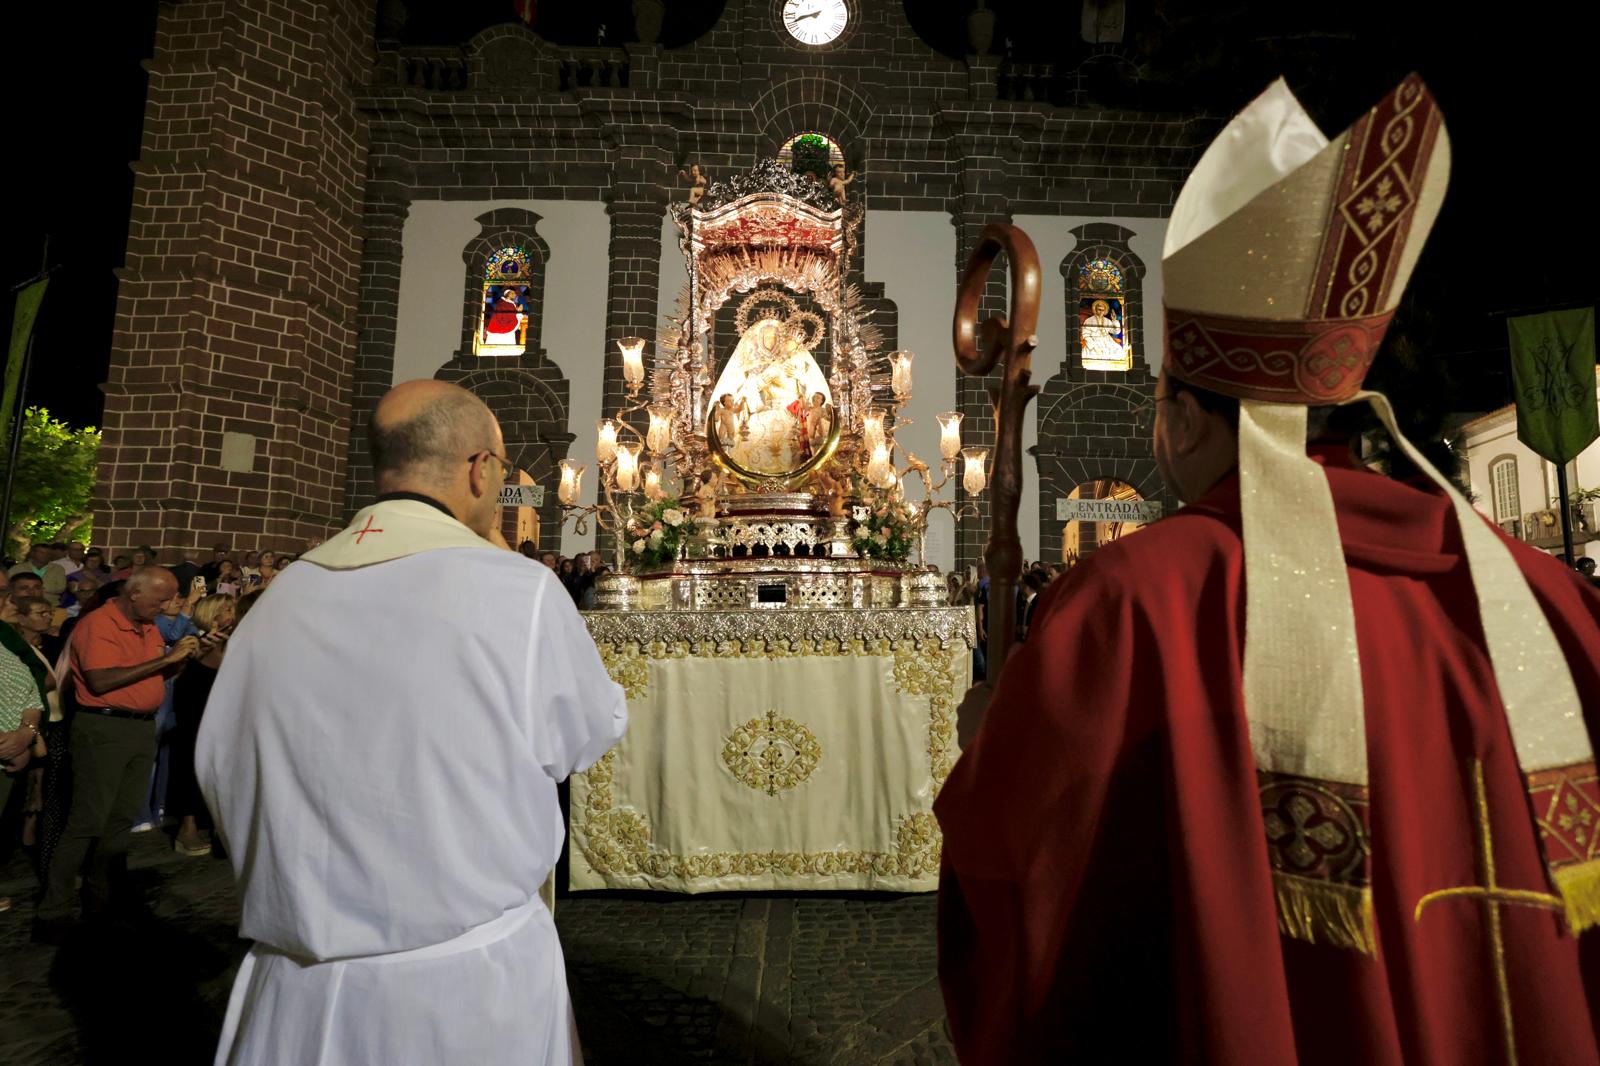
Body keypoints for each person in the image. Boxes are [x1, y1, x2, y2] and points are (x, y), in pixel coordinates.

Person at [935, 76, 1600, 1063]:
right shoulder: (1553, 602)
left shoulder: (1133, 607)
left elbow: (1032, 904)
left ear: (1184, 416)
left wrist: (989, 746)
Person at [197, 379, 627, 1065]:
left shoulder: (281, 597)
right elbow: (582, 734)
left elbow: (219, 767)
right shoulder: (516, 591)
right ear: (482, 470)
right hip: (464, 985)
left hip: (292, 985)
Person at [33, 566, 204, 941]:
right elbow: (101, 679)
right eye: (161, 599)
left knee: (119, 819)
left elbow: (151, 676)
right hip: (105, 728)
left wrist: (180, 660)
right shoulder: (98, 624)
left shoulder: (148, 625)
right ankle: (54, 911)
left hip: (139, 727)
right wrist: (165, 659)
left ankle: (100, 900)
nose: (167, 606)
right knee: (87, 821)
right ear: (135, 594)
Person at [169, 593, 235, 856]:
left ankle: (222, 827)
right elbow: (183, 672)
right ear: (212, 614)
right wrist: (202, 651)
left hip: (227, 709)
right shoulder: (198, 641)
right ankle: (187, 827)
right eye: (227, 609)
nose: (232, 614)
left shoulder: (237, 641)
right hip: (197, 705)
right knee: (192, 760)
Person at [0, 642, 45, 913]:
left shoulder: (4, 647)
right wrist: (11, 745)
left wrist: (25, 735)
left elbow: (31, 696)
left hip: (10, 757)